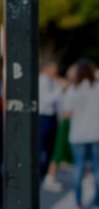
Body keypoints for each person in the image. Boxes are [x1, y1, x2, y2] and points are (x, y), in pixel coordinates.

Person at [61, 59, 99, 209]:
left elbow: (67, 114)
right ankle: (97, 204)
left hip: (78, 134)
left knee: (78, 169)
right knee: (98, 170)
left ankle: (78, 204)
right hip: (98, 132)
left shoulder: (73, 90)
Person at [39, 60, 64, 192]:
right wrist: (60, 88)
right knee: (43, 146)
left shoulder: (53, 82)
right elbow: (48, 99)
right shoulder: (43, 81)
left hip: (52, 117)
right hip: (44, 116)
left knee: (50, 147)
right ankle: (41, 173)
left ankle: (46, 173)